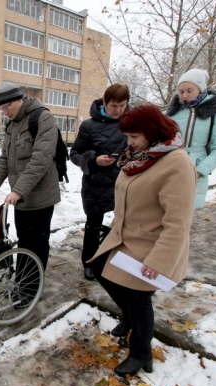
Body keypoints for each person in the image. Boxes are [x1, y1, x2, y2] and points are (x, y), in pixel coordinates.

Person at [88, 104, 197, 377]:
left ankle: (141, 352)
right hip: (125, 237)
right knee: (100, 269)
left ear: (151, 132)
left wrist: (159, 261)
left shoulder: (176, 163)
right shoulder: (138, 156)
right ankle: (129, 317)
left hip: (152, 244)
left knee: (139, 297)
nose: (129, 142)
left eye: (134, 136)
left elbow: (178, 222)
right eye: (127, 136)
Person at [0, 82, 61, 277]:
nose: (4, 112)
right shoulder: (12, 125)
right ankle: (23, 279)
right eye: (1, 109)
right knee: (24, 241)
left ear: (19, 99)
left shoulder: (43, 118)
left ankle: (32, 286)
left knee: (37, 244)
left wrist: (18, 190)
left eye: (6, 107)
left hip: (40, 198)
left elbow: (40, 160)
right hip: (21, 199)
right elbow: (5, 160)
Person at [70, 83, 130, 281]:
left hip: (125, 183)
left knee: (125, 225)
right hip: (96, 184)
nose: (118, 110)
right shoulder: (89, 126)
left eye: (122, 105)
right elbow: (74, 154)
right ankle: (90, 262)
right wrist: (94, 160)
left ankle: (118, 260)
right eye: (114, 105)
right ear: (105, 102)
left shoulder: (131, 122)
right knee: (93, 226)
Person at [165, 69, 216, 209]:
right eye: (181, 91)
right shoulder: (171, 112)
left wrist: (199, 170)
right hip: (169, 167)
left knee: (182, 218)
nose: (184, 95)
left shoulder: (214, 112)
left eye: (189, 90)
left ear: (200, 89)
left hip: (195, 170)